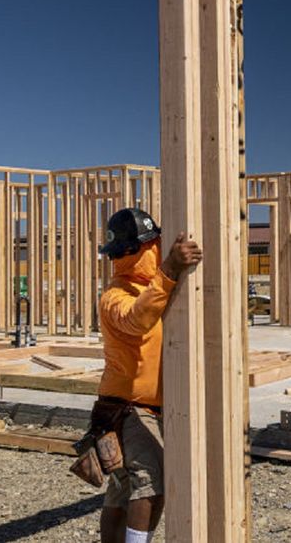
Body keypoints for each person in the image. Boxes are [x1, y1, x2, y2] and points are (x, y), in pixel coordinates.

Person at [93, 208, 202, 543]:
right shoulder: (116, 296)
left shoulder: (151, 288)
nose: (157, 249)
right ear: (135, 251)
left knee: (124, 490)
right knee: (151, 485)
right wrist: (170, 269)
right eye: (153, 244)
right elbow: (137, 319)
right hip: (128, 409)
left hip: (136, 407)